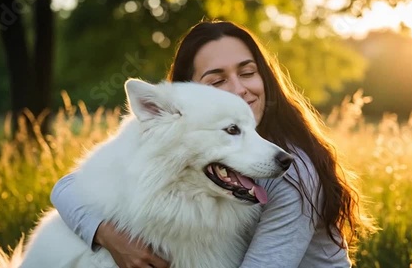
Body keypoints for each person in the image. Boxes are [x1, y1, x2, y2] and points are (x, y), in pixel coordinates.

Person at [51, 19, 375, 268]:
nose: (238, 90)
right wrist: (108, 236)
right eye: (217, 80)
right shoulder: (181, 137)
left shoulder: (291, 176)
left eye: (247, 72)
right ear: (190, 91)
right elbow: (65, 188)